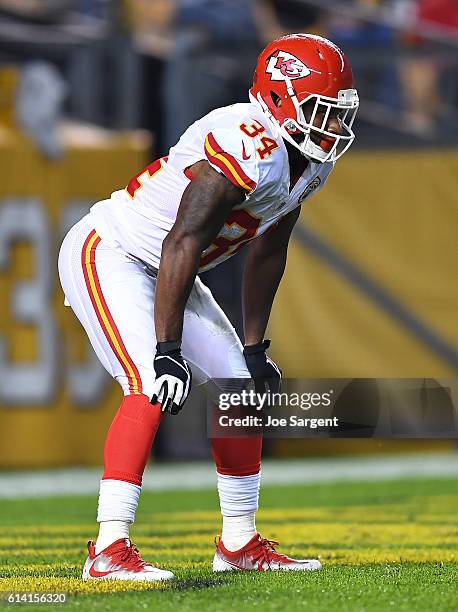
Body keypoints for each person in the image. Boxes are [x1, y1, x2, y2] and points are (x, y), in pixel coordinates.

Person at [58, 33, 359, 581]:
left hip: (175, 269)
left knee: (238, 388)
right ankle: (107, 548)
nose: (335, 128)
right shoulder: (245, 142)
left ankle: (239, 542)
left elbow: (269, 247)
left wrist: (254, 346)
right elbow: (182, 241)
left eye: (340, 115)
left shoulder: (309, 163)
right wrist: (168, 349)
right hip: (116, 252)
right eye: (324, 112)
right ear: (280, 100)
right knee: (152, 383)